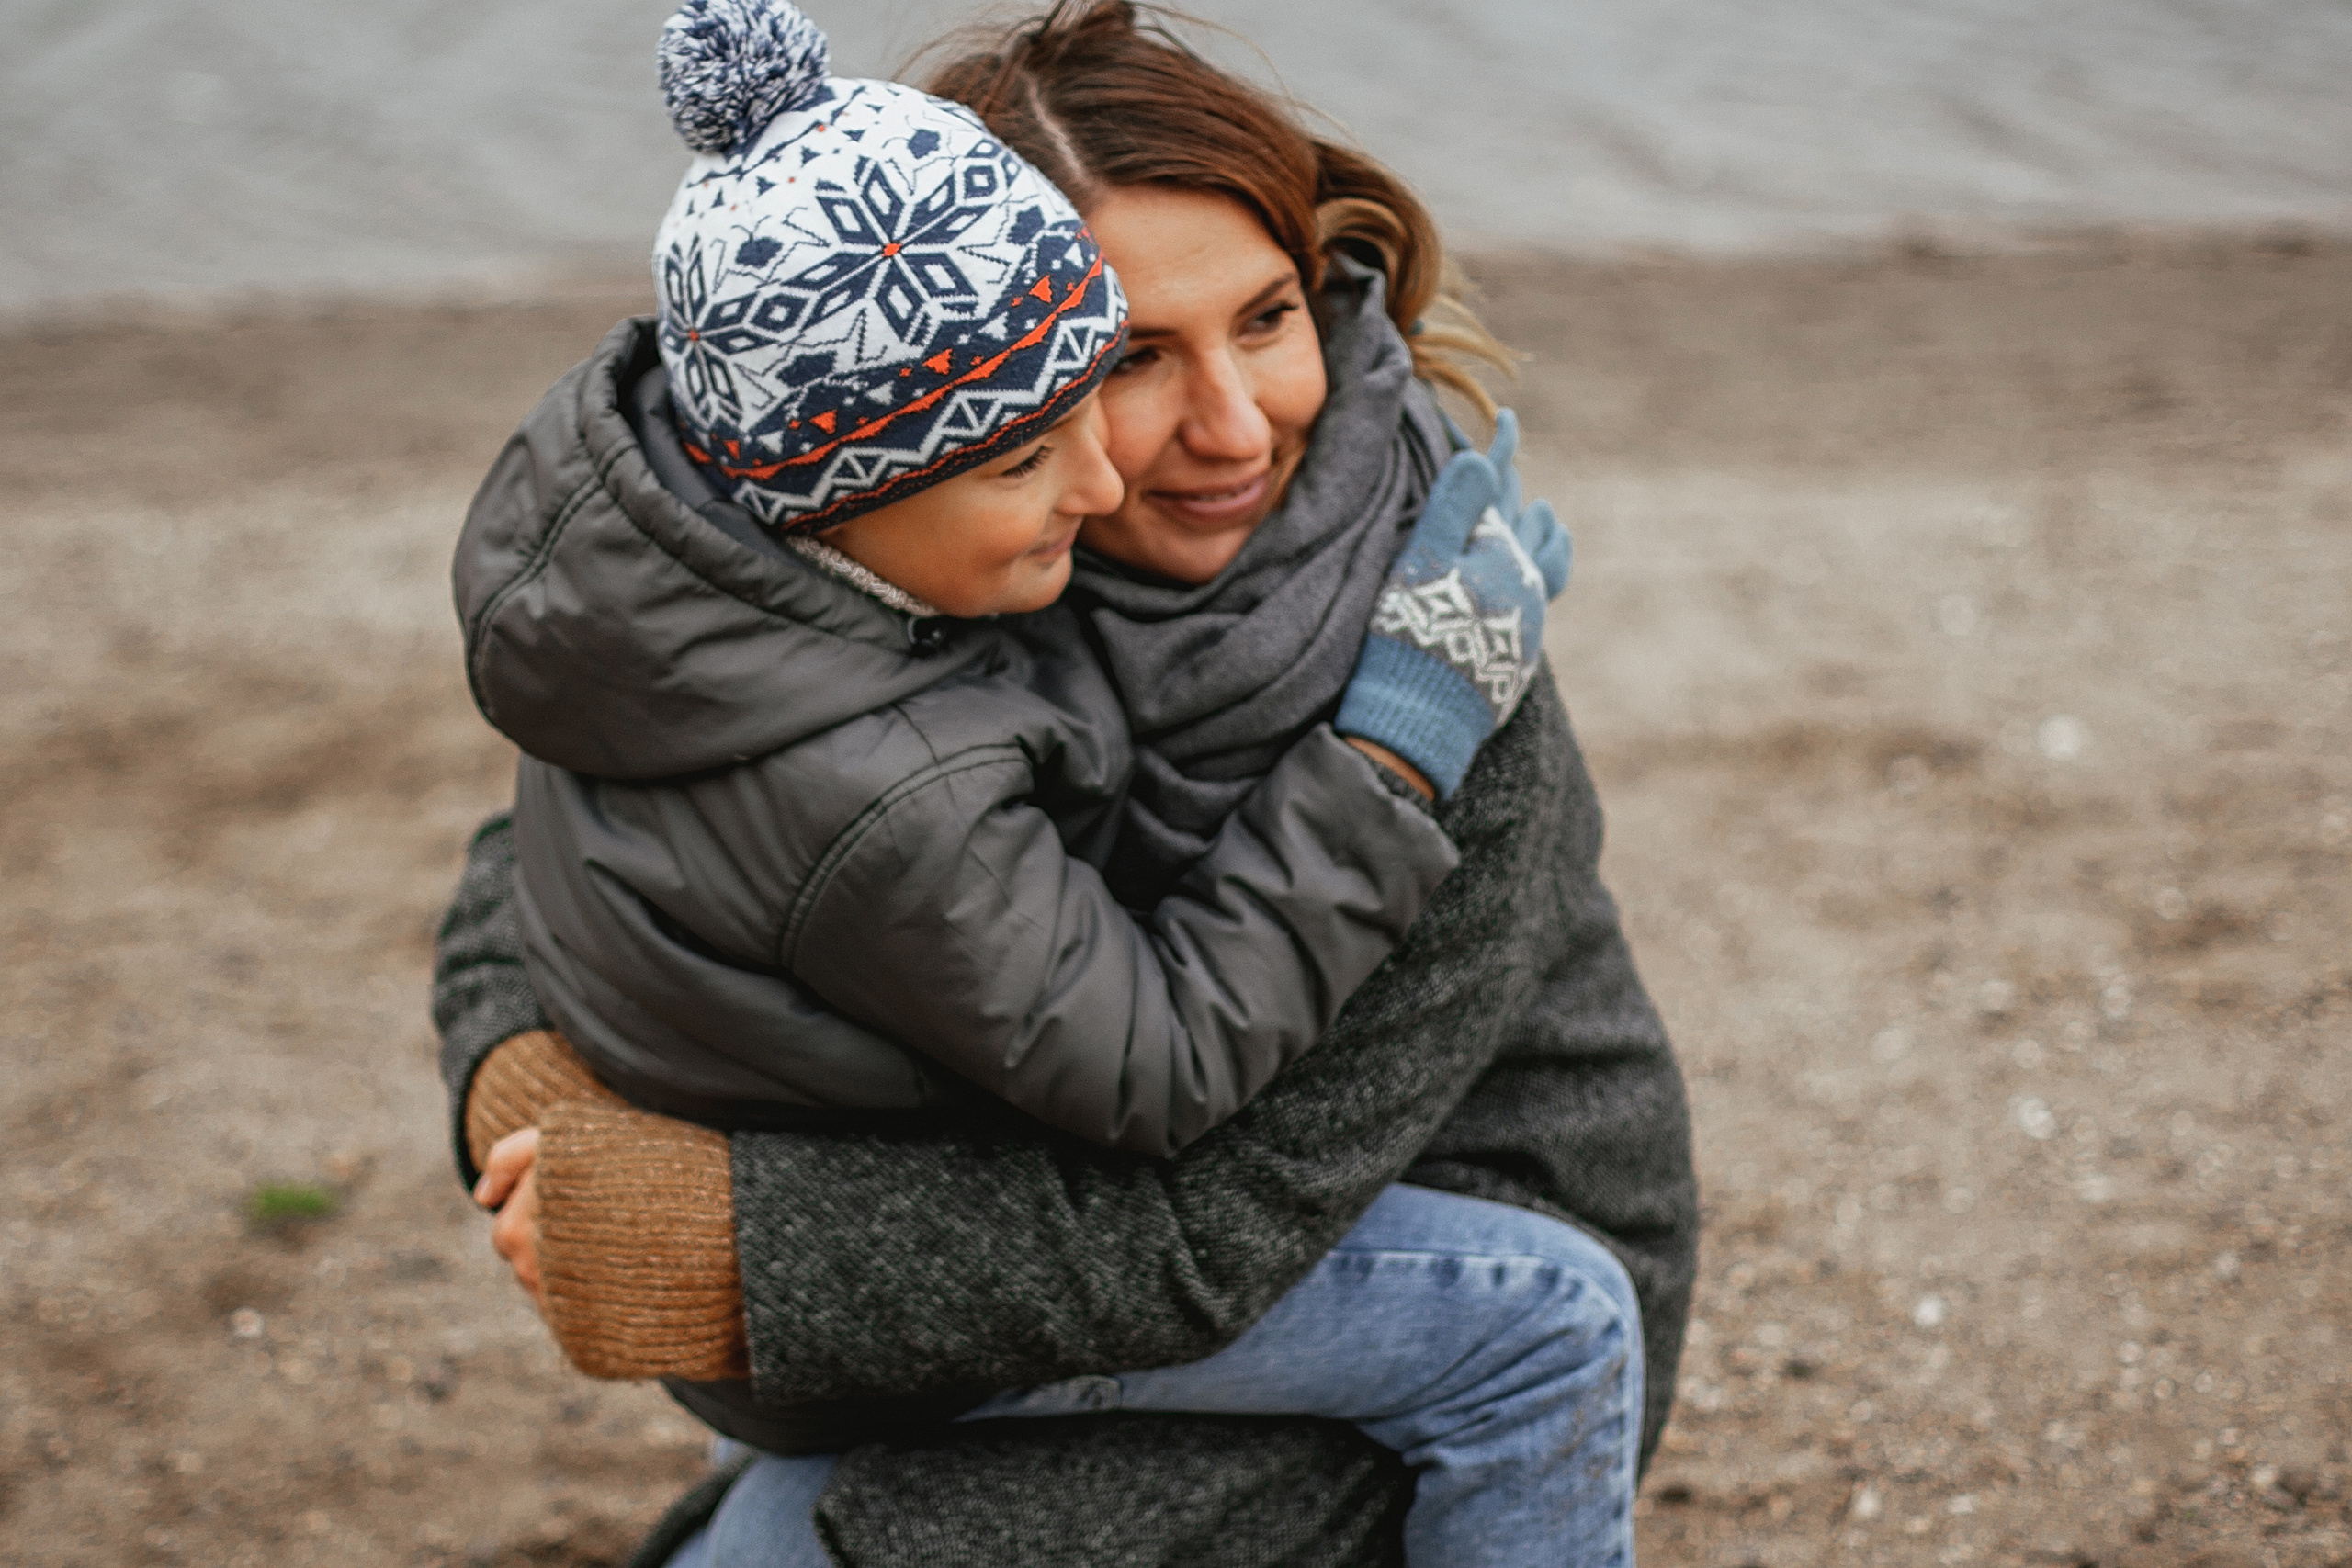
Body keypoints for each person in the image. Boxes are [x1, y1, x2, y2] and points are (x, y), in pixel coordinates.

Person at [435, 5, 1700, 1564]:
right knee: (799, 1505)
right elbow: (553, 839)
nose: (1234, 429)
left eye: (1268, 317)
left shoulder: (1439, 673)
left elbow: (1215, 1230)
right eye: (1131, 359)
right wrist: (535, 1100)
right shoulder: (918, 556)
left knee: (865, 1539)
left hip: (1451, 1266)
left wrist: (735, 1248)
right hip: (1051, 1245)